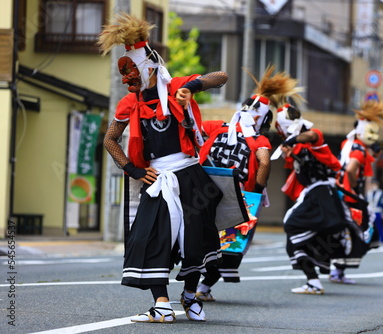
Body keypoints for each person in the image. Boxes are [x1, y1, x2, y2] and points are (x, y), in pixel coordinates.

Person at [98, 13, 228, 323]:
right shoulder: (129, 103)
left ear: (148, 68)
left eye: (131, 72)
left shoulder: (176, 87)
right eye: (124, 73)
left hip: (191, 174)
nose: (127, 79)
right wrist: (134, 170)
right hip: (156, 179)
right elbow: (110, 140)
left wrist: (193, 87)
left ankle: (190, 297)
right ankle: (161, 304)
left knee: (196, 239)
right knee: (148, 237)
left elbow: (221, 76)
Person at [195, 66, 300, 301]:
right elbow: (264, 162)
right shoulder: (258, 139)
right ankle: (203, 288)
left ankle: (193, 285)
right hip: (238, 201)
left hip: (202, 195)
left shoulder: (215, 127)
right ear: (263, 120)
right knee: (230, 247)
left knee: (200, 240)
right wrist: (258, 191)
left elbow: (192, 130)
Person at [274, 104, 347, 295]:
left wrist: (293, 139)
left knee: (291, 224)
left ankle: (320, 277)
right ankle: (313, 282)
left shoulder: (312, 136)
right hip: (315, 194)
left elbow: (312, 136)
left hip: (323, 195)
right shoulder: (295, 146)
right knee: (294, 241)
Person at [330, 100, 383, 284]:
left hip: (341, 193)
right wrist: (355, 188)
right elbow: (350, 169)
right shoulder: (359, 150)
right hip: (350, 196)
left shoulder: (349, 144)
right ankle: (337, 269)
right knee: (361, 234)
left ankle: (338, 270)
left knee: (350, 233)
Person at [366, 179, 383, 243]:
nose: (373, 186)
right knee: (370, 226)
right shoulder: (369, 192)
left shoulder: (381, 193)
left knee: (379, 226)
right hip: (370, 212)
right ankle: (370, 239)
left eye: (375, 184)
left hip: (378, 212)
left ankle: (382, 239)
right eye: (372, 184)